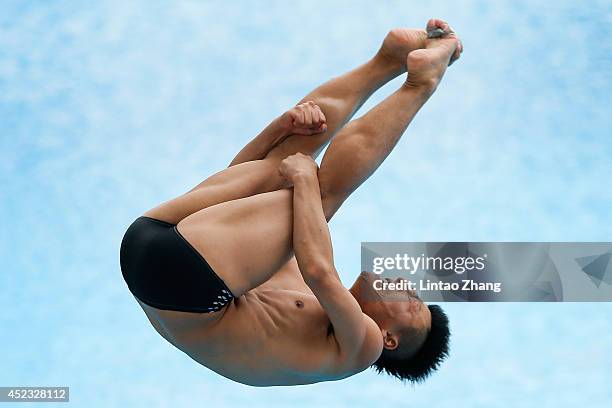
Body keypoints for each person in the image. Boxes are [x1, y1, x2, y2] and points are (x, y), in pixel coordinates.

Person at [120, 19, 462, 386]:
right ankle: (389, 58)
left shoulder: (362, 348)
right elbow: (234, 206)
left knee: (320, 194)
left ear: (390, 338)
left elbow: (320, 270)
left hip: (181, 282)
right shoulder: (294, 281)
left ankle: (420, 82)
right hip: (153, 244)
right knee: (292, 159)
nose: (404, 284)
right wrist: (280, 128)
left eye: (411, 303)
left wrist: (303, 179)